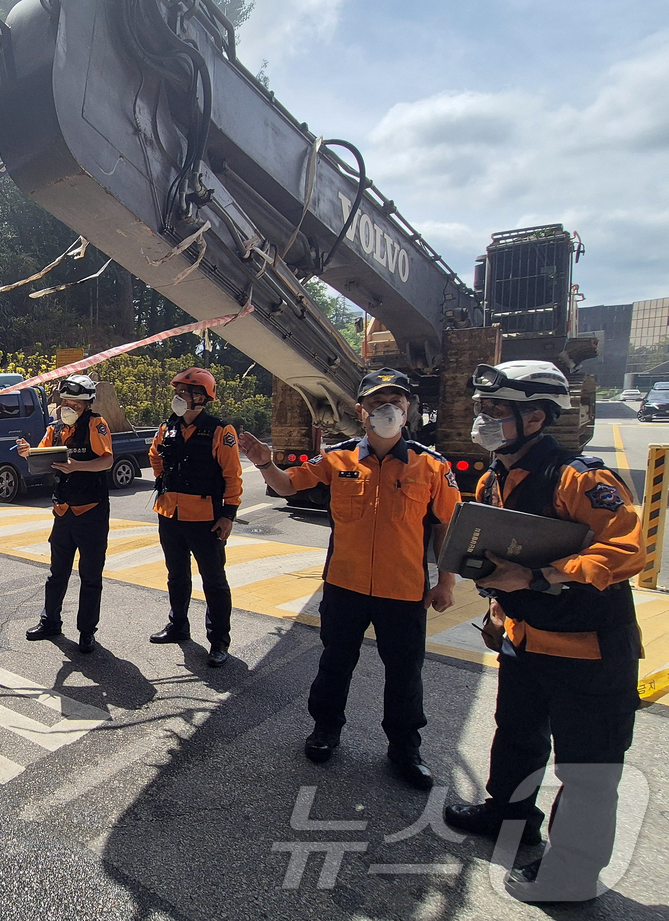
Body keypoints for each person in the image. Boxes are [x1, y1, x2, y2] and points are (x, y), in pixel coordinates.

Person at [442, 361, 645, 903]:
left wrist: (538, 576)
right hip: (525, 639)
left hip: (589, 649)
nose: (483, 418)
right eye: (482, 407)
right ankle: (509, 816)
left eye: (496, 410)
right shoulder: (492, 478)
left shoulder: (579, 478)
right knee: (517, 733)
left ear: (535, 418)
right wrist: (496, 601)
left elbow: (627, 550)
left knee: (587, 767)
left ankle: (572, 876)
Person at [238, 368, 459, 790]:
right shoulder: (337, 458)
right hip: (345, 587)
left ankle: (405, 749)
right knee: (335, 664)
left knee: (405, 675)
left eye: (395, 402)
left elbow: (447, 526)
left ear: (408, 410)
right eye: (377, 403)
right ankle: (325, 731)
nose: (387, 410)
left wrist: (446, 582)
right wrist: (265, 462)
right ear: (361, 412)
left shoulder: (431, 465)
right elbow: (286, 486)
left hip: (404, 592)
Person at [148, 367, 243, 667]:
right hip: (169, 514)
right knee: (176, 575)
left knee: (213, 581)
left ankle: (219, 641)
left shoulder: (220, 431)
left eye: (184, 392)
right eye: (177, 391)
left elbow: (232, 476)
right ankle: (178, 625)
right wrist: (164, 480)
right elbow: (154, 455)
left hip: (205, 518)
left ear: (201, 398)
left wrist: (228, 515)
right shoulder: (168, 427)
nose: (178, 397)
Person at [16, 374, 114, 654]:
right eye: (65, 402)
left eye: (75, 404)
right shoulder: (56, 429)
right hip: (63, 510)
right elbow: (41, 456)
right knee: (57, 573)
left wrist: (77, 466)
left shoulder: (96, 424)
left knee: (90, 575)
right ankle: (50, 622)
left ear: (87, 405)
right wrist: (27, 452)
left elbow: (107, 460)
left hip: (91, 511)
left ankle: (87, 631)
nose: (68, 407)